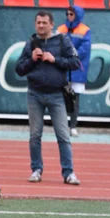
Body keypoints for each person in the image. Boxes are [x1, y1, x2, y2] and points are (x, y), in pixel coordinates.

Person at [15, 10, 82, 185]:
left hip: (57, 94)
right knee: (35, 135)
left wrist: (55, 60)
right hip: (34, 94)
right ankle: (36, 170)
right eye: (38, 22)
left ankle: (68, 173)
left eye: (44, 23)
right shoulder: (30, 43)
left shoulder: (62, 40)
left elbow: (76, 63)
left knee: (63, 135)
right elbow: (19, 69)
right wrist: (31, 59)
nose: (41, 25)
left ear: (52, 24)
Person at [57, 6, 91, 138]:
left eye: (71, 14)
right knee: (61, 99)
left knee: (75, 99)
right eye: (67, 13)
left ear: (77, 15)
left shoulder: (85, 30)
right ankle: (62, 126)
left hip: (77, 70)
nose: (69, 16)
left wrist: (70, 56)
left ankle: (73, 126)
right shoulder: (61, 29)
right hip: (62, 69)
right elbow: (56, 45)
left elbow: (84, 49)